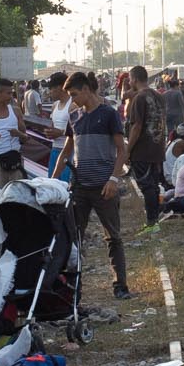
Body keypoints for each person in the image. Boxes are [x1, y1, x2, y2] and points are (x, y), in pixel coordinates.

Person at [59, 71, 135, 300]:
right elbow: (67, 149)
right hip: (80, 187)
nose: (73, 100)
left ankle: (120, 285)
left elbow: (122, 151)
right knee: (75, 239)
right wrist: (53, 179)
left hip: (104, 187)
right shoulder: (74, 117)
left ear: (85, 89)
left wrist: (113, 179)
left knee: (113, 236)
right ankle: (73, 288)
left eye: (74, 94)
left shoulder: (109, 115)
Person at [124, 66, 167, 228]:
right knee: (154, 185)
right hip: (158, 147)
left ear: (134, 79)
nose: (129, 82)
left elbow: (136, 126)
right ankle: (155, 217)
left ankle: (151, 221)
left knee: (146, 185)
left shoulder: (139, 99)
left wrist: (128, 151)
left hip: (142, 149)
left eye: (129, 79)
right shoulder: (159, 96)